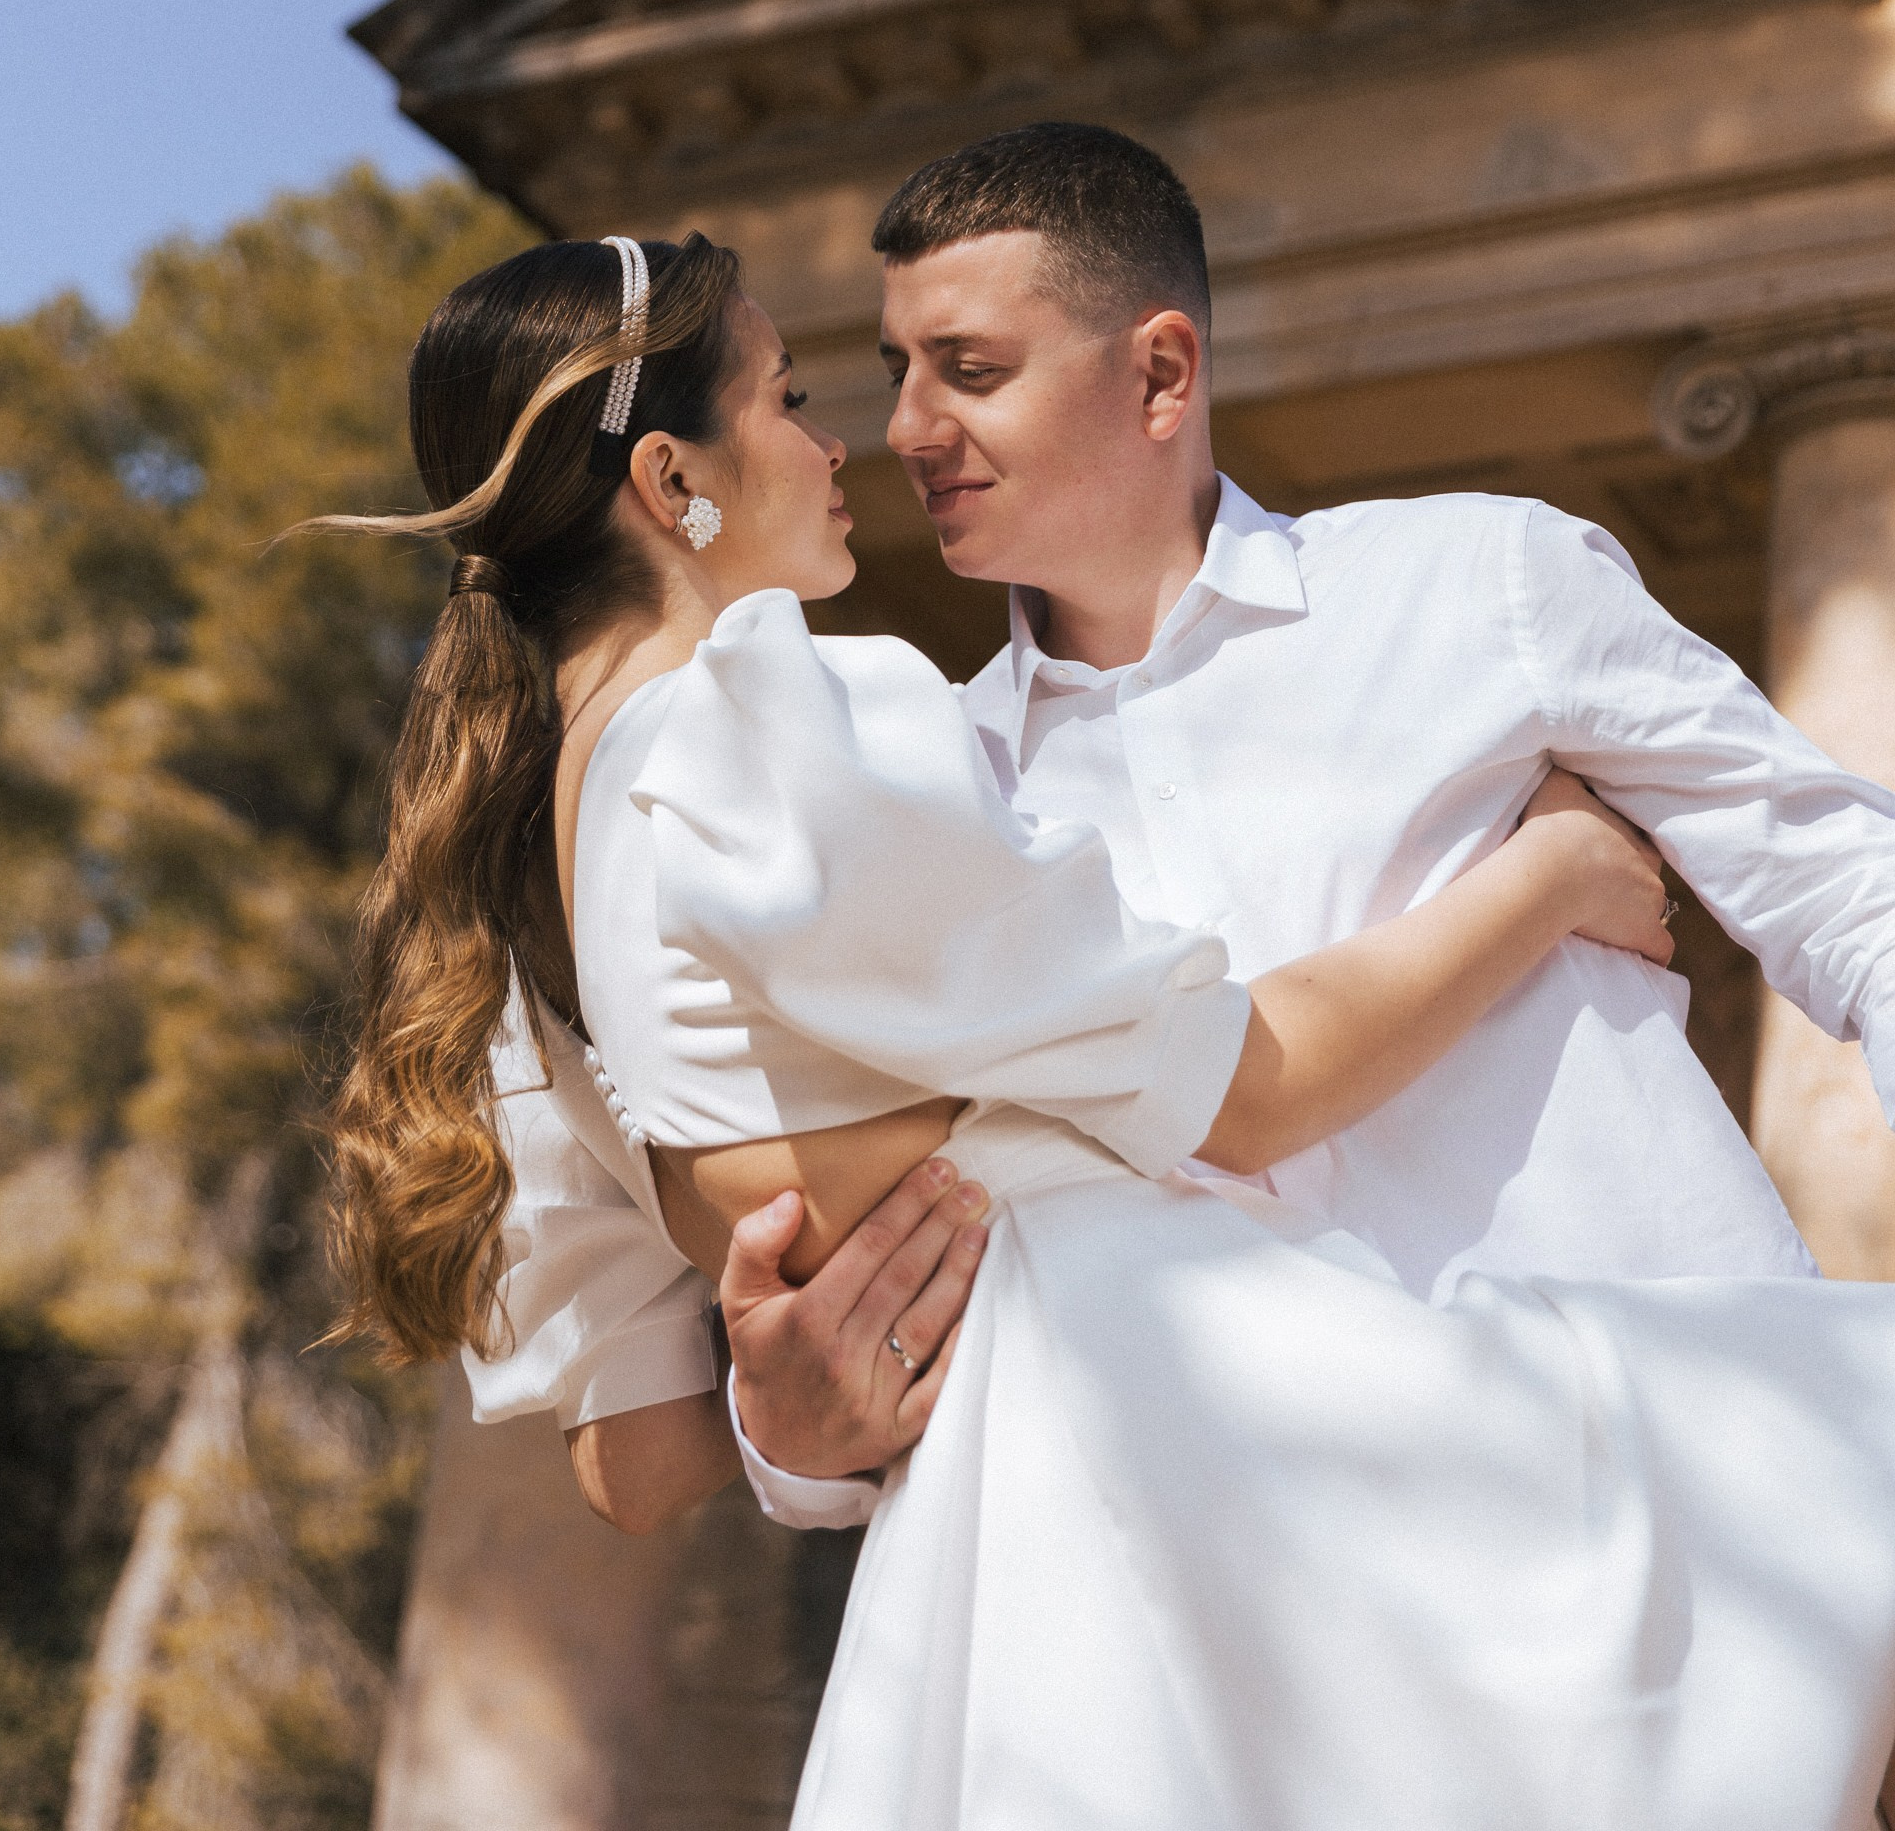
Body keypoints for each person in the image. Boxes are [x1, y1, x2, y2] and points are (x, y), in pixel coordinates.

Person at [318, 231, 1895, 1828]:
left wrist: (795, 1358)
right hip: (1214, 1438)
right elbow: (1245, 1089)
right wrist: (1553, 873)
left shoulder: (510, 917)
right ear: (673, 479)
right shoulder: (812, 727)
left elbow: (640, 1450)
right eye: (801, 395)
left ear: (1158, 370)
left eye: (970, 370)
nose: (880, 431)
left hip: (1117, 1507)